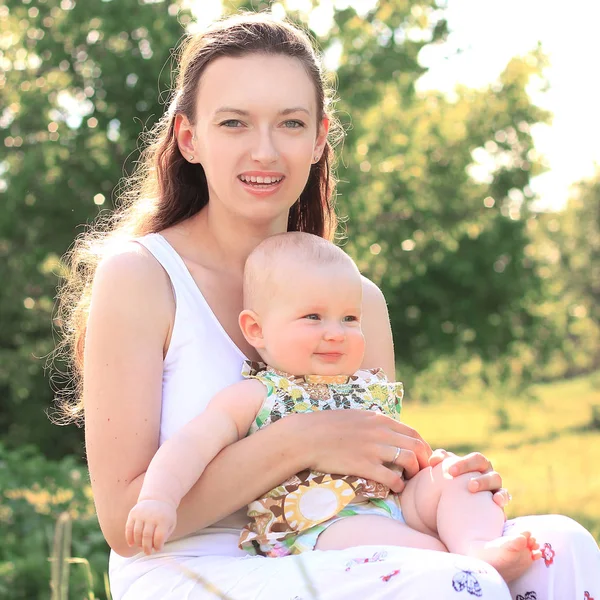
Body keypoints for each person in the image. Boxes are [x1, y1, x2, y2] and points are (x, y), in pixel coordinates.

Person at [58, 11, 599, 600]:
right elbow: (122, 521)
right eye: (234, 122)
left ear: (319, 139)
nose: (264, 151)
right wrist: (302, 440)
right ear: (190, 138)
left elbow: (375, 483)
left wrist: (443, 483)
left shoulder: (358, 301)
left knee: (564, 544)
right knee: (448, 584)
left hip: (341, 543)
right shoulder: (142, 277)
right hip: (187, 566)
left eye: (290, 124)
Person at [125, 231, 542, 583]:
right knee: (389, 544)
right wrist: (157, 500)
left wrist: (437, 471)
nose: (335, 333)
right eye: (313, 317)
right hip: (317, 528)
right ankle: (458, 568)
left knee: (454, 480)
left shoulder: (364, 383)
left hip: (393, 502)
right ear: (256, 329)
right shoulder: (257, 395)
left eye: (349, 319)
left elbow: (397, 452)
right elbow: (190, 445)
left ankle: (476, 548)